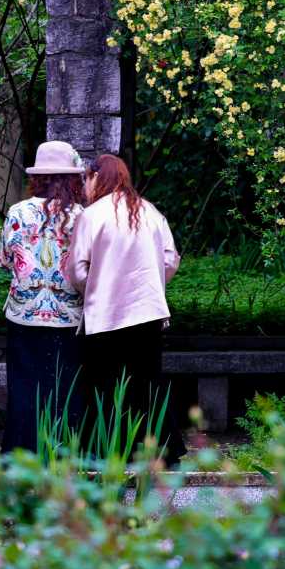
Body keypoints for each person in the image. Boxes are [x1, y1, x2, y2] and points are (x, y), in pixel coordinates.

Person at [67, 153, 179, 450]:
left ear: (96, 177)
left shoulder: (90, 216)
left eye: (86, 179)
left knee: (103, 385)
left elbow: (77, 269)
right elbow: (170, 259)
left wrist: (96, 287)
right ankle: (162, 451)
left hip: (105, 314)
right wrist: (149, 285)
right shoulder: (150, 212)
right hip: (148, 312)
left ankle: (104, 450)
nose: (84, 187)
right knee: (147, 384)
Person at [0, 140, 89, 453]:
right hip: (69, 313)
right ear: (72, 178)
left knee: (25, 386)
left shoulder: (18, 211)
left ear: (38, 177)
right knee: (67, 386)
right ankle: (65, 450)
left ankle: (22, 451)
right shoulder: (82, 216)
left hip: (24, 312)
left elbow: (6, 259)